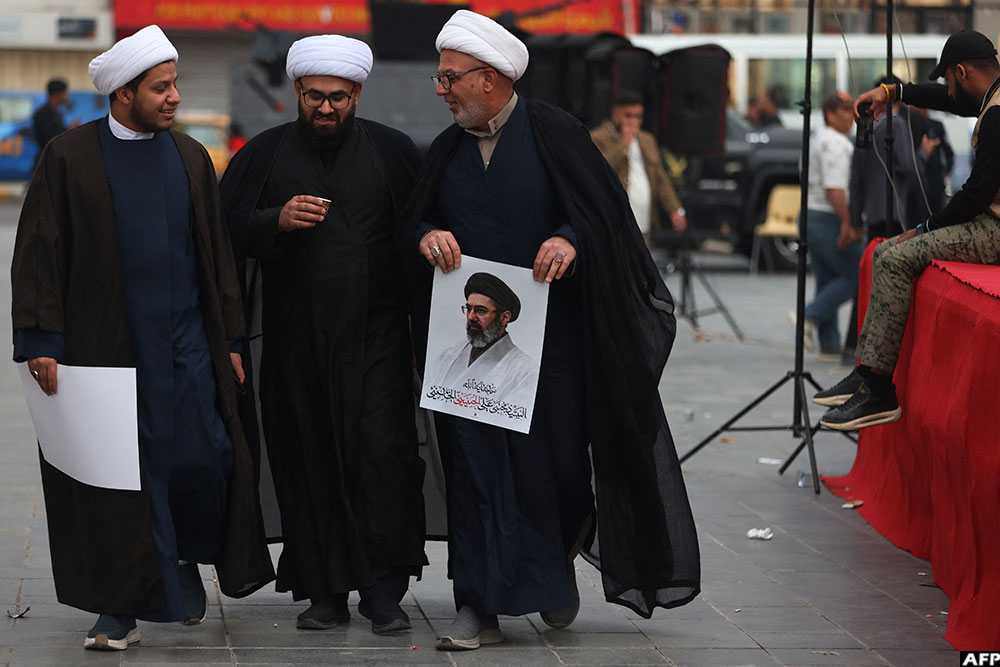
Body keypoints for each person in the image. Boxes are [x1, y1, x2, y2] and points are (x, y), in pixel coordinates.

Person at [404, 9, 699, 651]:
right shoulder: (446, 151)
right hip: (468, 352)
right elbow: (413, 219)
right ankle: (476, 604)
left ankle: (556, 560)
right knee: (475, 470)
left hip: (552, 347)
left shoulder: (555, 134)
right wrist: (426, 234)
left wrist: (569, 240)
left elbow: (604, 218)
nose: (441, 88)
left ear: (490, 78)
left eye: (451, 77)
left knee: (559, 469)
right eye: (441, 76)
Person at [10, 25, 273, 651]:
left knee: (200, 459)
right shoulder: (69, 157)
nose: (175, 97)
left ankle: (180, 562)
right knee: (117, 479)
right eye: (162, 88)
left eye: (176, 84)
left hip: (186, 348)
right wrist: (42, 338)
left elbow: (215, 256)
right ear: (123, 95)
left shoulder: (187, 157)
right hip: (107, 352)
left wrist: (231, 341)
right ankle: (118, 608)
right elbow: (40, 253)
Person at [219, 35, 427, 634]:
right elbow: (222, 234)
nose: (326, 108)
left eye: (338, 97)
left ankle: (384, 591)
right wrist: (274, 220)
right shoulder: (263, 155)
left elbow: (425, 230)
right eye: (315, 97)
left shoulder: (393, 153)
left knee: (384, 456)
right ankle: (324, 590)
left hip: (381, 340)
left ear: (357, 92)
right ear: (297, 93)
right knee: (307, 458)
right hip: (297, 343)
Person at [816, 30, 1000, 430]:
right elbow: (946, 100)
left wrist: (922, 229)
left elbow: (976, 192)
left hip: (996, 230)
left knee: (896, 255)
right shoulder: (993, 97)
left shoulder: (998, 114)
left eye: (949, 80)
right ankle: (867, 377)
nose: (948, 90)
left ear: (962, 71)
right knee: (884, 251)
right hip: (989, 220)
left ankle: (878, 389)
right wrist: (892, 90)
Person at [798, 92, 863, 357]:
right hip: (828, 216)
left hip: (810, 215)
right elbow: (835, 187)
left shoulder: (817, 138)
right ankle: (809, 317)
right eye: (845, 111)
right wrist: (849, 222)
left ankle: (829, 343)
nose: (851, 116)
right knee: (858, 274)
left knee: (827, 278)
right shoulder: (836, 143)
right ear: (830, 114)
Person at [426, 272, 538, 410]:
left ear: (504, 318)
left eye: (481, 310)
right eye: (468, 309)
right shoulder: (450, 355)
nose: (471, 317)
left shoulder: (525, 371)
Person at [589, 92, 687, 243]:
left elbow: (660, 179)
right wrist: (624, 144)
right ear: (615, 114)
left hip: (643, 226)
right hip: (613, 227)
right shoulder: (597, 138)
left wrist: (675, 210)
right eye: (628, 116)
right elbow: (598, 171)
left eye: (638, 116)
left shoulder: (647, 140)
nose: (634, 121)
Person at [31, 78, 72, 168]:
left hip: (53, 160)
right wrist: (68, 131)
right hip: (46, 161)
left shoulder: (56, 112)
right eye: (65, 92)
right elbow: (47, 138)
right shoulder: (43, 113)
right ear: (58, 94)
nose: (67, 95)